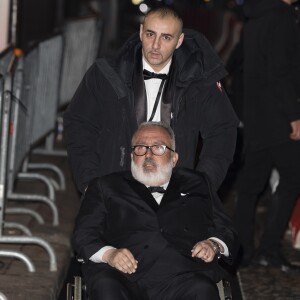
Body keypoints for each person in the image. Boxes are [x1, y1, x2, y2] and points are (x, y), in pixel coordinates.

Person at [63, 6, 239, 195]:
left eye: (166, 37)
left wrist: (202, 186)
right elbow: (80, 125)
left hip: (175, 197)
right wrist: (90, 183)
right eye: (150, 34)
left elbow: (222, 131)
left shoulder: (199, 80)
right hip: (115, 192)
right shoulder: (107, 74)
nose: (155, 45)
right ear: (140, 32)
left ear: (179, 41)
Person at [72, 122, 239, 300]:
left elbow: (227, 229)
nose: (148, 154)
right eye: (141, 148)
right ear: (131, 156)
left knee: (203, 290)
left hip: (183, 275)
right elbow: (83, 234)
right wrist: (109, 254)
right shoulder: (105, 186)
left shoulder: (198, 183)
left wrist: (213, 244)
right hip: (121, 276)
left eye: (158, 148)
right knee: (105, 287)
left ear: (174, 158)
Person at [234, 0, 300, 273]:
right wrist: (294, 116)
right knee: (293, 177)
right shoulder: (282, 17)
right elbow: (280, 73)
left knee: (250, 185)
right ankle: (268, 249)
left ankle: (244, 250)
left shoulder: (254, 16)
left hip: (257, 115)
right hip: (279, 117)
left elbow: (240, 65)